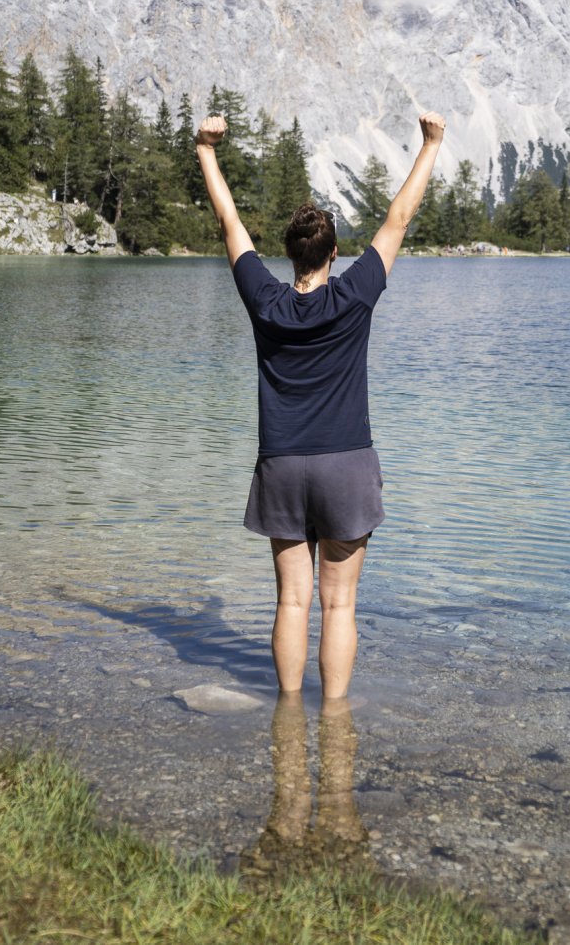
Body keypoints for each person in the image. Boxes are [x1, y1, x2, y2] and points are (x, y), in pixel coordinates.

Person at [195, 110, 446, 699]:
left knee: (291, 600)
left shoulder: (264, 299)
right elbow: (399, 217)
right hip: (344, 468)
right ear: (334, 254)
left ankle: (286, 717)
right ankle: (335, 722)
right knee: (339, 605)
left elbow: (229, 222)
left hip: (282, 466)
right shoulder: (355, 295)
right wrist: (432, 144)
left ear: (288, 256)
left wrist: (207, 150)